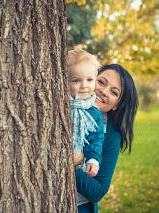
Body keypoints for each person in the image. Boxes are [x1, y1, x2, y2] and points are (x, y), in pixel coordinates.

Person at [74, 64, 139, 213]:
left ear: (117, 105)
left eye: (114, 92)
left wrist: (73, 166)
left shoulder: (111, 133)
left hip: (79, 207)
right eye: (101, 82)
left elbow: (98, 191)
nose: (103, 91)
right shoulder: (62, 102)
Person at [67, 48, 105, 177]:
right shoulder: (61, 106)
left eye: (89, 80)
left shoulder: (94, 113)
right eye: (76, 80)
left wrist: (93, 160)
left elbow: (96, 139)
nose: (84, 85)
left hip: (79, 166)